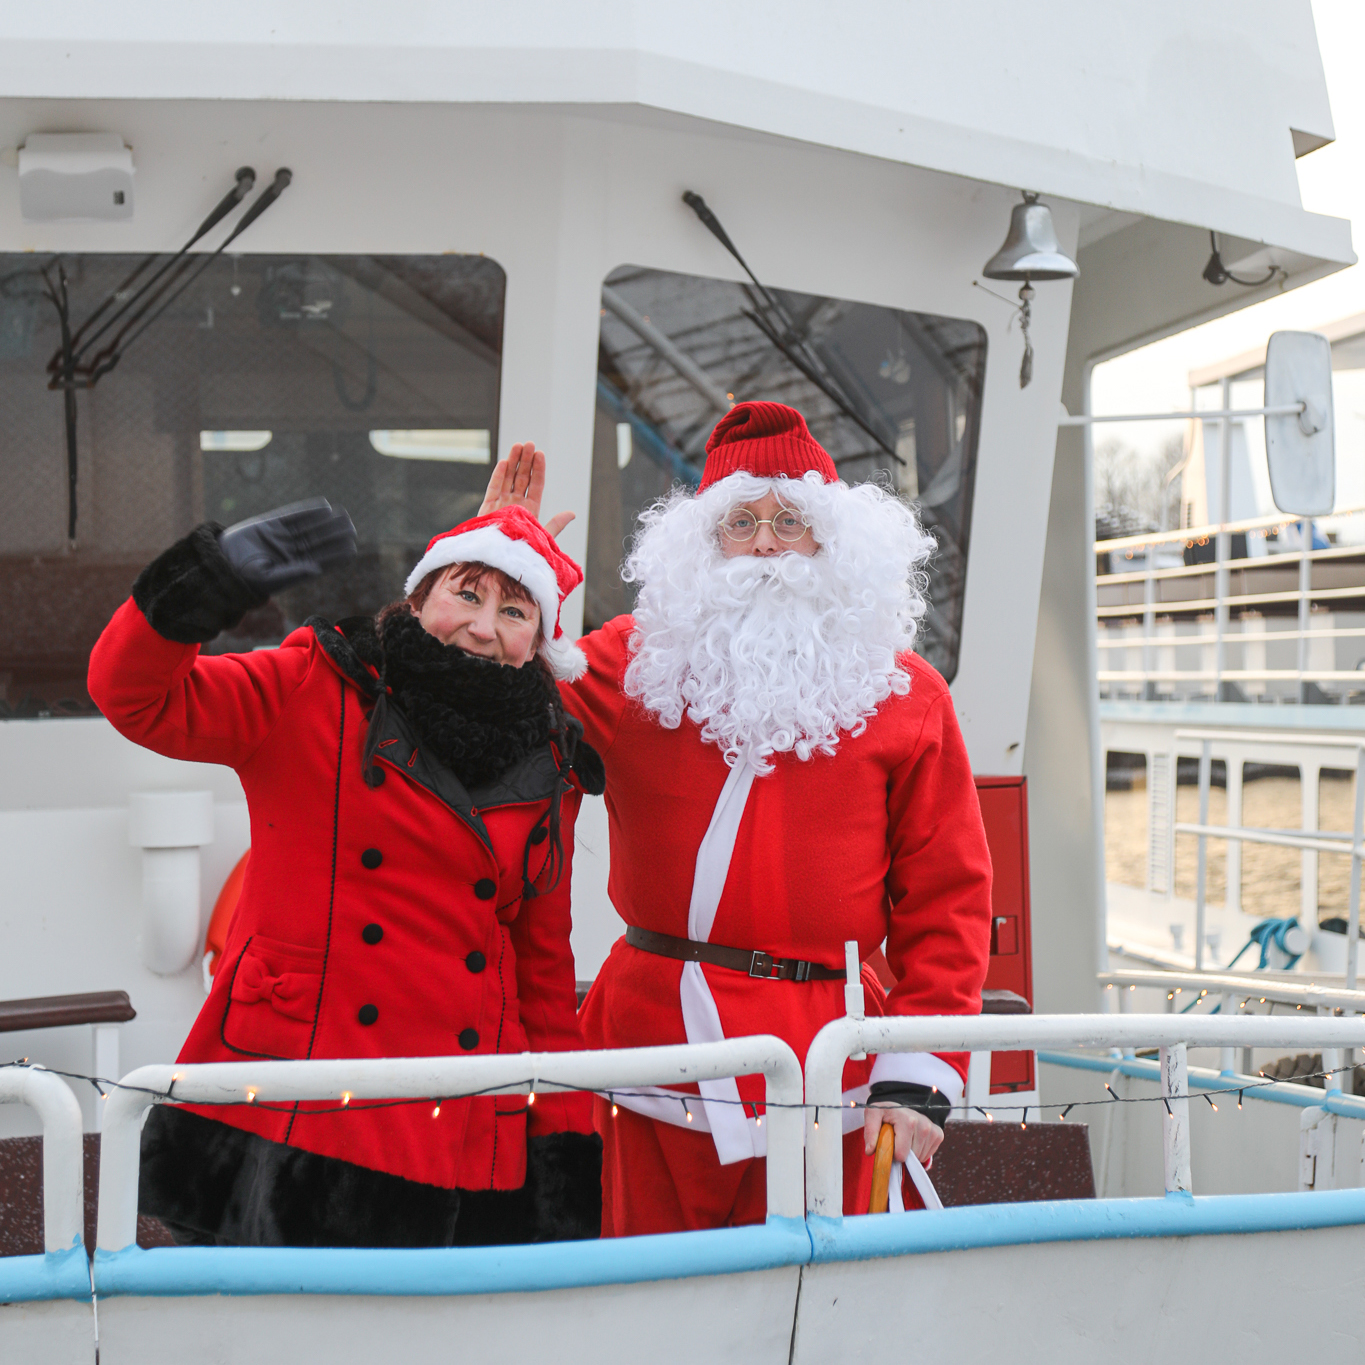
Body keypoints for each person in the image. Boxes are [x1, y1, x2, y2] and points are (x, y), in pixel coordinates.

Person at [479, 402, 993, 1235]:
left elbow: (947, 899)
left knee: (815, 1312)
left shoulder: (907, 697)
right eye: (740, 522)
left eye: (789, 522)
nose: (763, 543)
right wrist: (497, 568)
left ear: (833, 545)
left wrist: (916, 1075)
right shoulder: (630, 665)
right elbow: (494, 694)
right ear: (701, 547)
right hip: (649, 1044)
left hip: (829, 1054)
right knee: (637, 1294)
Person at [87, 483, 604, 1248]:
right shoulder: (314, 684)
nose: (482, 627)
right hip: (294, 1094)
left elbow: (542, 979)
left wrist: (563, 1153)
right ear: (422, 595)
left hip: (458, 1111)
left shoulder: (552, 760)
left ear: (538, 640)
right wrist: (209, 583)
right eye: (466, 593)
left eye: (515, 610)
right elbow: (136, 696)